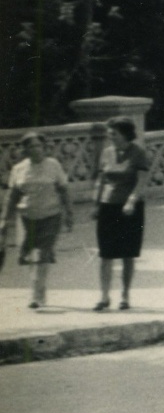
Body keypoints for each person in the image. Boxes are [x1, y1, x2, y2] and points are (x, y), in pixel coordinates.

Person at [5, 132, 74, 309]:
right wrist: (5, 219)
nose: (35, 150)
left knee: (42, 253)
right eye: (31, 147)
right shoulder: (19, 169)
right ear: (25, 150)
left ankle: (37, 294)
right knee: (31, 255)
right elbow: (12, 196)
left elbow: (64, 190)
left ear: (44, 148)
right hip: (27, 218)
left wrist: (69, 214)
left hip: (51, 216)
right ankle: (37, 290)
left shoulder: (53, 165)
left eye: (38, 146)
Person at [93, 117, 149, 311]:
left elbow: (141, 181)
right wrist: (96, 204)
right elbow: (101, 180)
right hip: (108, 206)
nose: (110, 137)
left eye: (113, 133)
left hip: (130, 208)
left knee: (127, 254)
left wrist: (131, 201)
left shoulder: (138, 153)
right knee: (105, 254)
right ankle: (104, 296)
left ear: (125, 134)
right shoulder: (106, 153)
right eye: (109, 133)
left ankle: (125, 295)